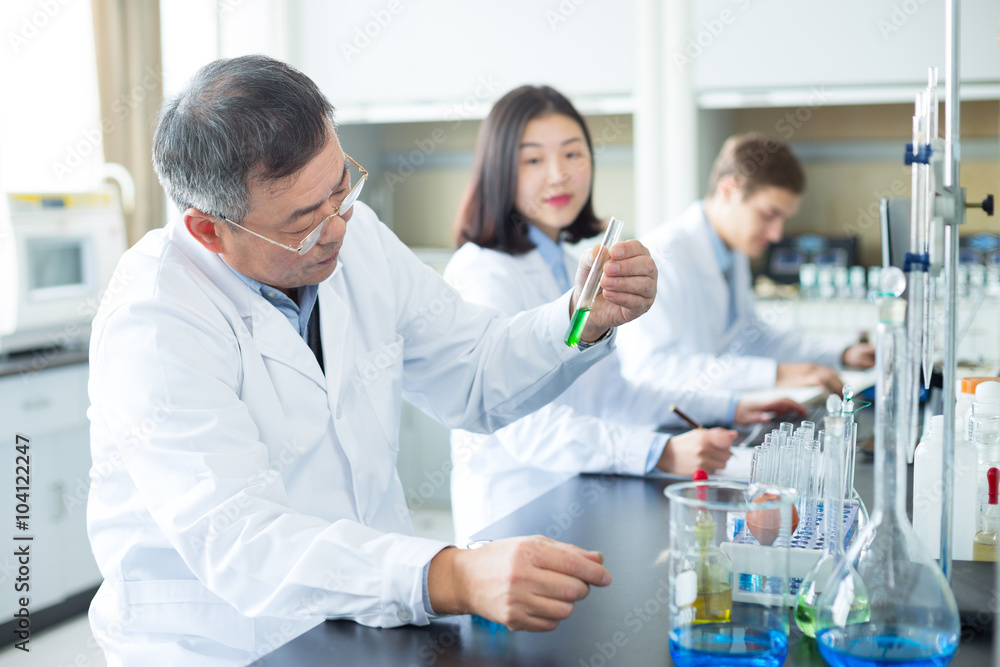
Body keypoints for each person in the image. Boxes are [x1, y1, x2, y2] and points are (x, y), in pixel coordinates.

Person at [85, 57, 660, 666]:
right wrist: (450, 576)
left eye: (341, 187)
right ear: (207, 230)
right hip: (226, 644)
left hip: (363, 617)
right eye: (305, 223)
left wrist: (580, 318)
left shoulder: (357, 239)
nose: (338, 227)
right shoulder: (154, 321)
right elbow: (240, 540)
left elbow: (473, 369)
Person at [444, 86, 804, 543]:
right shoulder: (482, 271)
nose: (559, 175)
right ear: (499, 168)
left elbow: (615, 395)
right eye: (533, 159)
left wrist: (732, 406)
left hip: (582, 500)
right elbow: (525, 425)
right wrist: (660, 452)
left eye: (573, 154)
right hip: (515, 517)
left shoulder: (571, 258)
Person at [617, 134, 875, 396]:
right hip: (667, 427)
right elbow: (652, 369)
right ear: (728, 190)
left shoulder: (733, 251)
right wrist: (778, 374)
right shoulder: (663, 256)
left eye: (783, 219)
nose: (776, 234)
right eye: (768, 215)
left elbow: (751, 338)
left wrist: (841, 353)